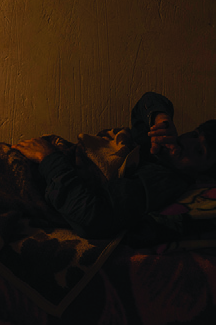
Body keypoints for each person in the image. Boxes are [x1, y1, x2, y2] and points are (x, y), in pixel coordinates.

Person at [13, 92, 216, 241]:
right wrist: (161, 121)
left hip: (43, 175)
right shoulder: (158, 153)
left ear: (204, 177)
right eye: (194, 134)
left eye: (199, 151)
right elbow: (146, 103)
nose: (187, 143)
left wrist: (49, 158)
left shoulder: (162, 179)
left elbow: (92, 217)